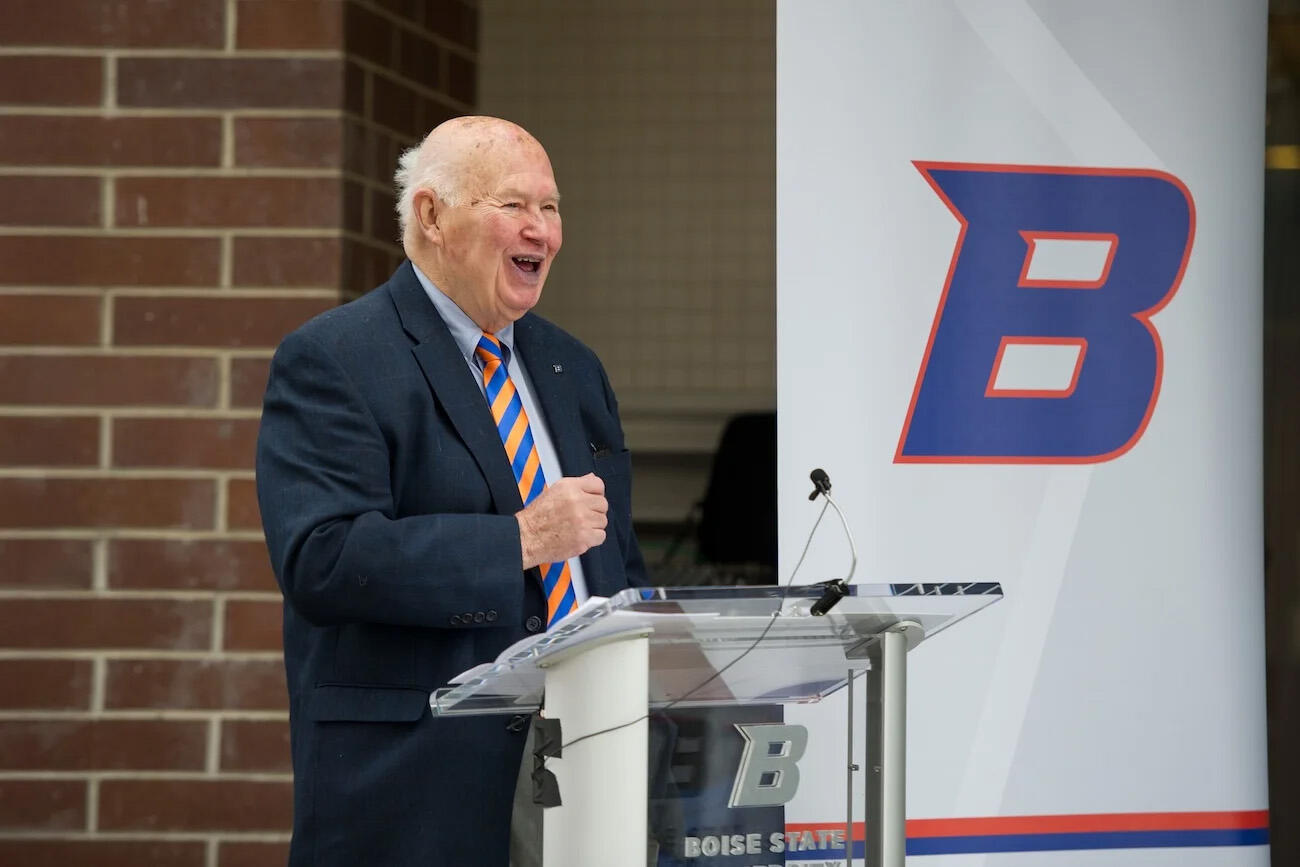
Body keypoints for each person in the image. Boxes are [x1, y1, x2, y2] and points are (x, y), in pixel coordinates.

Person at [255, 116, 648, 867]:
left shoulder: (574, 368)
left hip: (593, 770)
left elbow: (618, 565)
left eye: (553, 207)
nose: (543, 230)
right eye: (514, 205)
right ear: (432, 216)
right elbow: (323, 557)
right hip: (417, 790)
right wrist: (523, 540)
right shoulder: (336, 358)